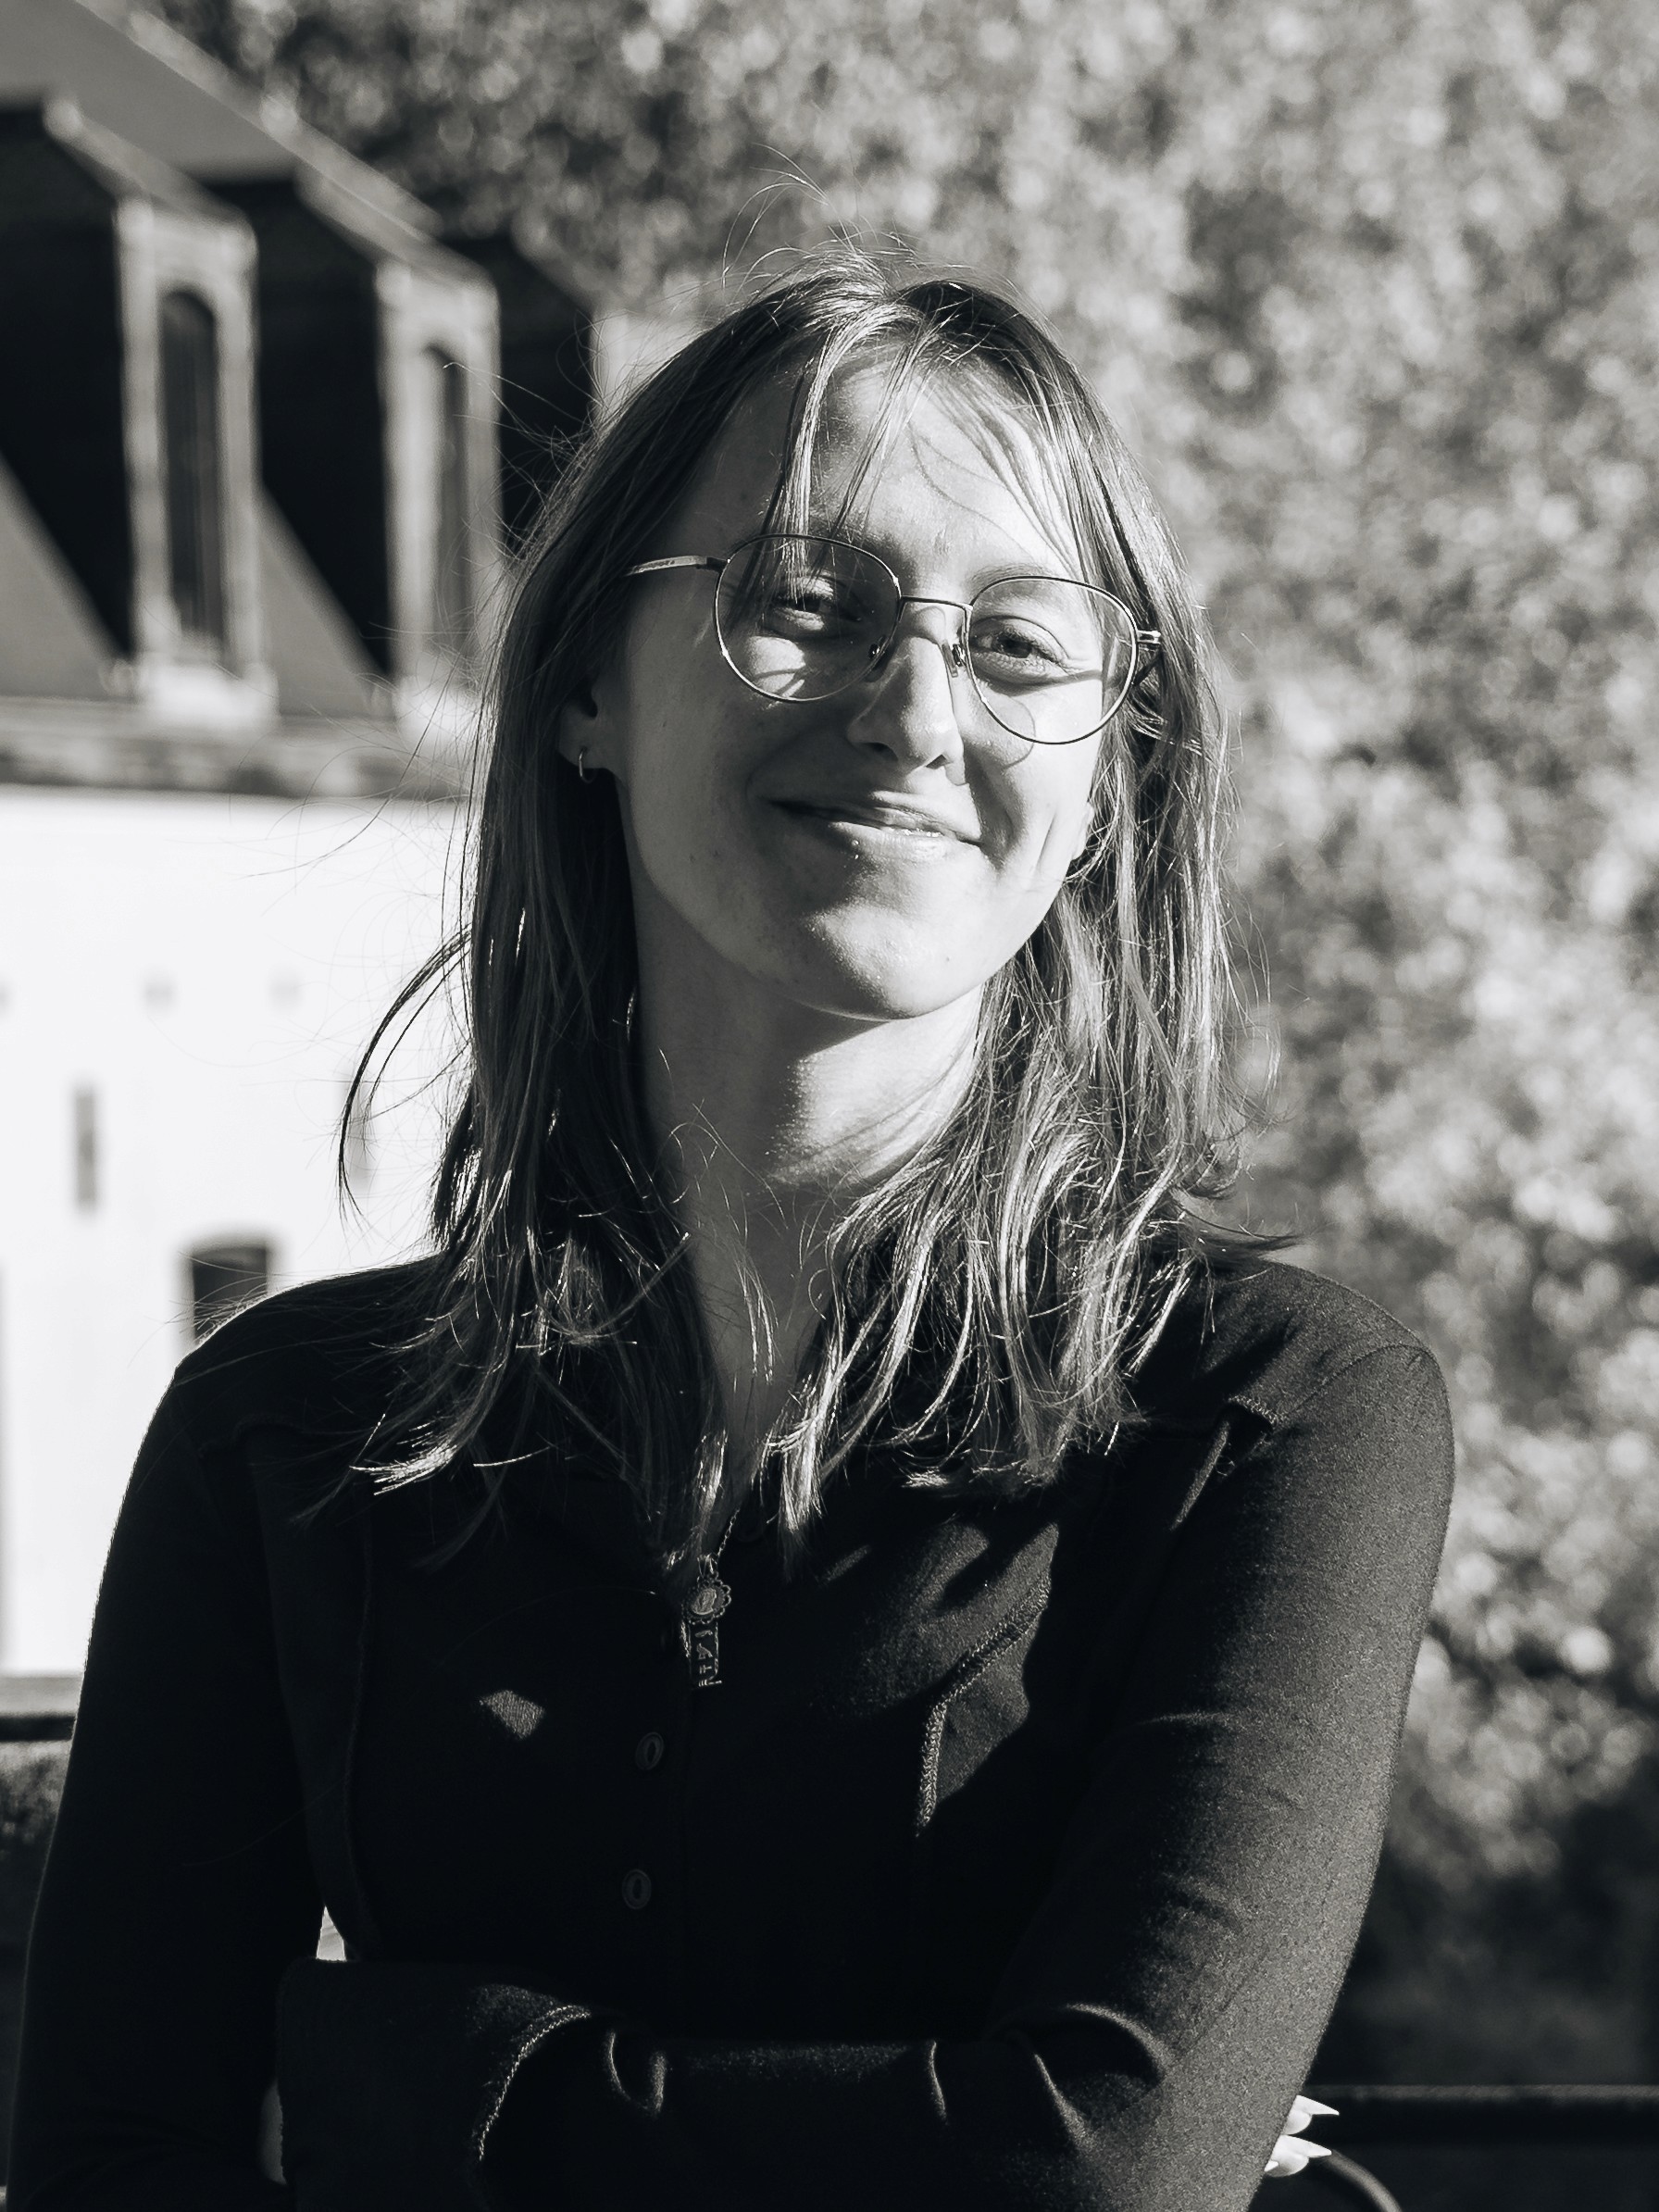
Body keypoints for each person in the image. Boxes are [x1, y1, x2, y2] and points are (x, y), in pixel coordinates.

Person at [9, 255, 1453, 2212]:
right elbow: (114, 2163)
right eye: (807, 600)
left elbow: (1100, 2171)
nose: (915, 711)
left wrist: (428, 2090)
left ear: (1109, 785)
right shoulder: (289, 1434)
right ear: (585, 686)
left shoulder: (1270, 1416)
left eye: (1018, 645)